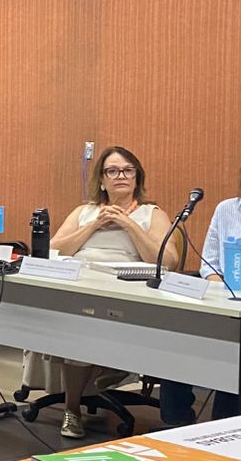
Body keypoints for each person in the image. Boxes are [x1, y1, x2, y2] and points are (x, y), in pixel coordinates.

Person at [38, 146, 179, 437]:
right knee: (76, 323)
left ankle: (103, 373)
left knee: (83, 325)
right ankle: (73, 408)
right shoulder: (84, 212)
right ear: (102, 180)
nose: (120, 176)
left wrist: (129, 224)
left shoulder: (152, 214)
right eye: (112, 171)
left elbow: (167, 262)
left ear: (137, 177)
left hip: (126, 294)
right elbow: (52, 250)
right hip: (80, 287)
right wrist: (94, 225)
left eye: (127, 170)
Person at [159, 133, 241, 426]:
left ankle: (231, 423)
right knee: (176, 344)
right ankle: (177, 424)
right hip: (229, 297)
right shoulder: (227, 209)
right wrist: (221, 288)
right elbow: (210, 263)